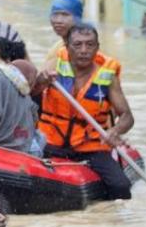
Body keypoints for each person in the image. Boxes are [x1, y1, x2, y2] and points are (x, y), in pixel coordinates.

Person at [38, 23, 134, 200]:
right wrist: (41, 81)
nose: (84, 50)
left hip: (90, 146)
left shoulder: (107, 76)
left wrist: (115, 131)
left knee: (121, 186)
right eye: (78, 45)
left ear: (97, 48)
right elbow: (31, 93)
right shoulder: (54, 65)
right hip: (52, 142)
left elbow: (127, 117)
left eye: (90, 45)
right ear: (67, 46)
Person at [43, 0, 84, 69]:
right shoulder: (56, 49)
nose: (58, 20)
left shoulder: (85, 50)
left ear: (78, 18)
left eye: (65, 15)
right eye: (55, 14)